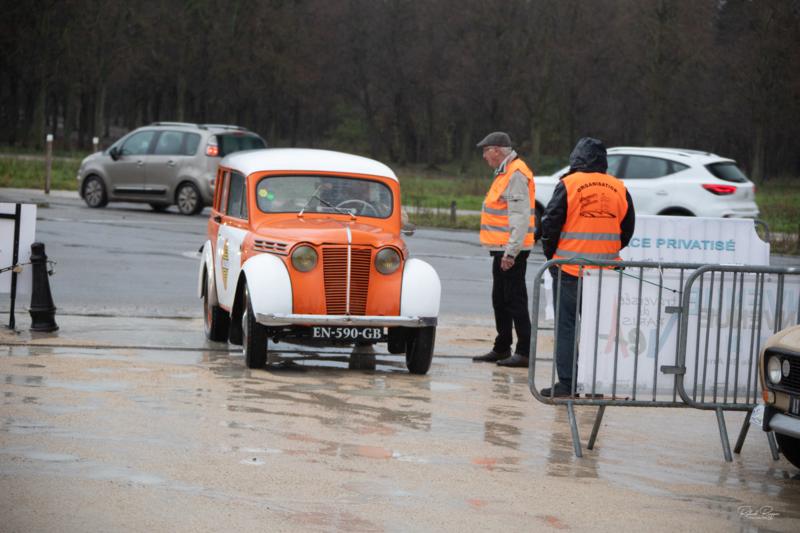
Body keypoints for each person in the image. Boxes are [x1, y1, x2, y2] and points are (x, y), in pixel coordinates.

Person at [539, 137, 635, 396]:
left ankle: (568, 384)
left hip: (569, 269)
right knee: (600, 330)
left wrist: (552, 255)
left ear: (576, 159)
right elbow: (627, 229)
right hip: (606, 273)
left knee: (567, 327)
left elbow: (549, 224)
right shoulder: (619, 188)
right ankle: (596, 384)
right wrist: (608, 251)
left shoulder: (569, 184)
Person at [471, 131, 536, 368]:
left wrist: (511, 253)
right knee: (500, 299)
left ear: (497, 150)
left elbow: (519, 217)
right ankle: (502, 347)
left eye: (485, 151)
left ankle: (524, 351)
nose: (484, 156)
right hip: (502, 248)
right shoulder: (505, 172)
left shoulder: (516, 173)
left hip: (511, 249)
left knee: (514, 300)